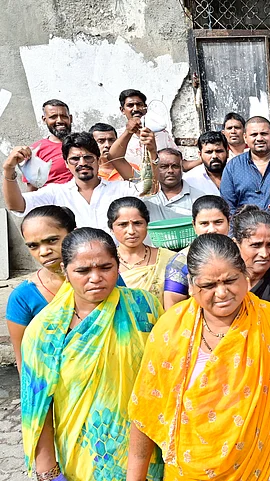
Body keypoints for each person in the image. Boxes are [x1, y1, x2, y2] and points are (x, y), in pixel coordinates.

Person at [126, 233, 270, 481]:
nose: (221, 293)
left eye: (230, 280)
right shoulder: (170, 330)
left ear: (245, 276)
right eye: (208, 285)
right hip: (189, 470)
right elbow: (146, 411)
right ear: (191, 285)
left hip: (262, 467)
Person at [21, 227, 164, 481]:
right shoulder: (46, 330)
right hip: (83, 456)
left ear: (118, 265)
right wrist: (49, 473)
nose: (95, 277)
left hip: (145, 453)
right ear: (65, 271)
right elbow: (38, 407)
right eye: (83, 271)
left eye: (105, 267)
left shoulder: (144, 306)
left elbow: (164, 376)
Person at [3, 132, 138, 232]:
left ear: (98, 160)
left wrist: (152, 153)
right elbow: (17, 205)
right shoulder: (56, 193)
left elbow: (151, 193)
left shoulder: (121, 189)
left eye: (88, 157)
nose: (82, 163)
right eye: (75, 159)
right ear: (66, 164)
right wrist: (8, 169)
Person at [6, 206, 76, 369]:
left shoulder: (103, 279)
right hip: (53, 390)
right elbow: (23, 361)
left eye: (52, 240)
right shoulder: (24, 297)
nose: (44, 252)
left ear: (74, 234)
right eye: (33, 246)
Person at [163, 195, 231, 309]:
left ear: (229, 222)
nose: (212, 229)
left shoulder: (241, 254)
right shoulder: (180, 262)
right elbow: (172, 310)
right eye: (204, 224)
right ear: (194, 225)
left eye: (218, 222)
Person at [108, 197, 175, 300]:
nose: (131, 231)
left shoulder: (169, 259)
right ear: (111, 228)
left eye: (137, 223)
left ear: (147, 224)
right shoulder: (105, 263)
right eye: (123, 224)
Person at [108, 89, 181, 170]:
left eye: (139, 104)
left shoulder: (162, 134)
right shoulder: (116, 136)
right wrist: (128, 132)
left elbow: (179, 162)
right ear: (122, 110)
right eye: (130, 105)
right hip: (128, 180)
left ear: (145, 108)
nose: (135, 109)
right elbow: (112, 159)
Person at [141, 148, 205, 220]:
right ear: (156, 169)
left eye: (175, 166)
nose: (170, 171)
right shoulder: (145, 196)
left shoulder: (199, 198)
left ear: (182, 168)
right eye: (164, 167)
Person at [27, 99, 74, 189]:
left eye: (64, 116)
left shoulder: (85, 144)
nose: (59, 120)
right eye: (53, 117)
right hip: (51, 201)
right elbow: (32, 190)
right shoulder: (35, 151)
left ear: (70, 118)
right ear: (44, 120)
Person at [183, 130, 228, 195]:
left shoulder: (237, 174)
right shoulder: (189, 180)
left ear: (227, 153)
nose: (214, 156)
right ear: (200, 155)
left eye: (219, 151)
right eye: (209, 152)